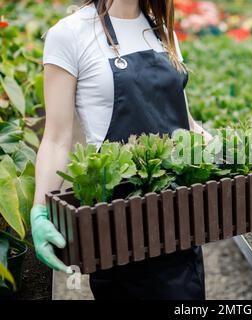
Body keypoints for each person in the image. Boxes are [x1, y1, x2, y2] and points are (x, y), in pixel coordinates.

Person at [30, 0, 211, 300]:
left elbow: (185, 124)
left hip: (179, 215)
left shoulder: (162, 31)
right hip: (118, 225)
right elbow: (56, 138)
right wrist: (39, 210)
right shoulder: (70, 34)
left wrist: (233, 152)